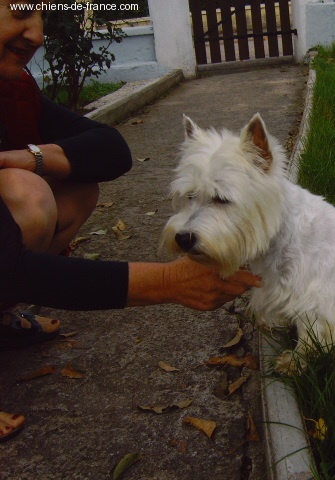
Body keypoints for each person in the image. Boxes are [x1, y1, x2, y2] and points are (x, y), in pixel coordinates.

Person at [0, 0, 262, 441]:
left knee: (65, 185)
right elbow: (6, 260)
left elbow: (111, 149)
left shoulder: (13, 90)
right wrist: (167, 283)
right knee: (26, 196)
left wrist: (28, 155)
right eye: (21, 11)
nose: (38, 34)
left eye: (41, 15)